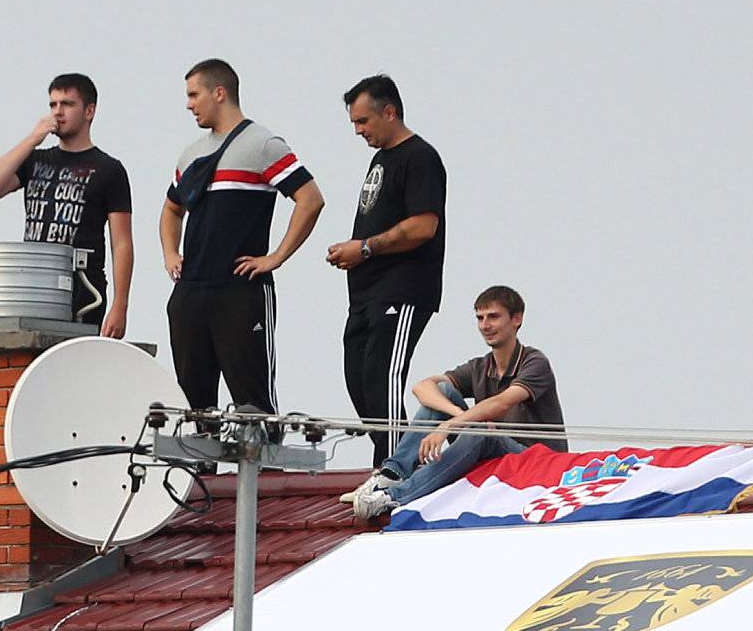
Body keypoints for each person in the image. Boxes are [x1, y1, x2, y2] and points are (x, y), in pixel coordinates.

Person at [160, 58, 322, 415]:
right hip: (191, 290)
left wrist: (275, 257)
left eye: (193, 94)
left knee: (252, 399)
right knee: (192, 401)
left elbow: (310, 199)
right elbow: (172, 209)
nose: (188, 104)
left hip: (240, 289)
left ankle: (260, 469)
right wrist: (171, 254)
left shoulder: (263, 144)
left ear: (219, 93)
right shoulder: (191, 154)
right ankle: (199, 470)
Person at [348, 285, 563, 523]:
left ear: (517, 319)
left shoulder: (535, 362)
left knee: (481, 432)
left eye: (493, 317)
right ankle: (393, 473)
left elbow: (502, 403)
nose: (485, 325)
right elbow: (423, 387)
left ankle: (394, 496)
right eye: (480, 318)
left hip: (538, 462)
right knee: (444, 392)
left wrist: (449, 426)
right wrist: (454, 415)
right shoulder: (480, 366)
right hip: (493, 448)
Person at [327, 74, 447, 468]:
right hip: (365, 293)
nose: (358, 131)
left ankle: (395, 469)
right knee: (359, 379)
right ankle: (391, 458)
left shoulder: (420, 157)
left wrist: (363, 248)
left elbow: (423, 226)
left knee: (384, 377)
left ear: (389, 112)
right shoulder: (381, 159)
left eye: (363, 122)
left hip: (402, 290)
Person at [0, 74, 135, 336]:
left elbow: (121, 243)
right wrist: (32, 139)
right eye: (52, 105)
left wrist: (120, 305)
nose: (58, 112)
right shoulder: (36, 160)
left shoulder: (109, 169)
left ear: (89, 111)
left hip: (84, 287)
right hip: (35, 283)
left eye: (67, 104)